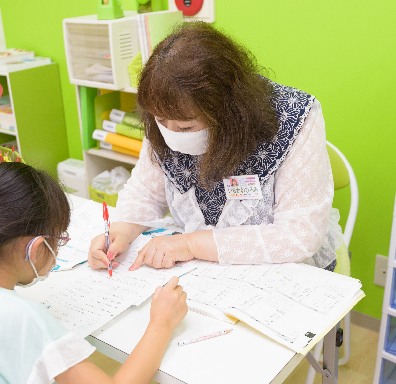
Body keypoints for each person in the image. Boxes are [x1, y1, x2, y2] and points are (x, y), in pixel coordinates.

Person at [88, 22, 343, 272]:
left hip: (281, 269)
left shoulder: (294, 117)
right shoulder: (165, 109)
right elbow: (144, 193)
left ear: (226, 112)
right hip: (205, 270)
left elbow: (299, 236)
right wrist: (120, 231)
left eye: (185, 128)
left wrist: (190, 244)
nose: (171, 134)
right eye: (161, 121)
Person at [0, 162, 188, 384]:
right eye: (59, 240)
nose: (59, 247)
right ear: (35, 249)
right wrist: (161, 324)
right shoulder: (15, 317)